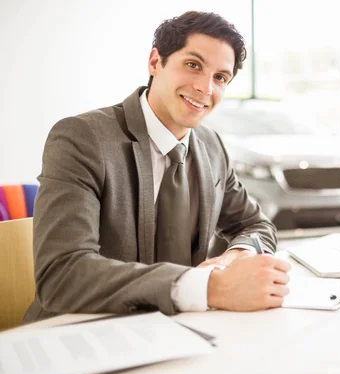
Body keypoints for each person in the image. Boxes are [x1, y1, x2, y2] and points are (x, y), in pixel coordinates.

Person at [23, 11, 290, 323]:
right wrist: (208, 287)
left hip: (178, 329)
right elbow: (61, 275)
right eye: (193, 65)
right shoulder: (82, 138)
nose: (205, 88)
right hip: (79, 331)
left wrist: (234, 259)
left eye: (220, 77)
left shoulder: (212, 146)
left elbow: (256, 226)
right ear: (155, 62)